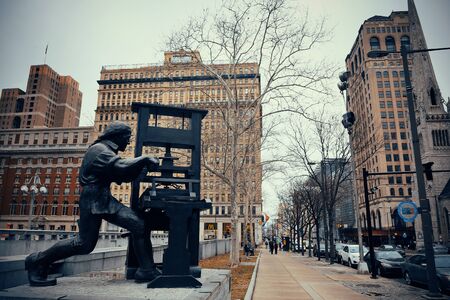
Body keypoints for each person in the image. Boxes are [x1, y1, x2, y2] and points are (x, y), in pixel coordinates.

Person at [25, 122, 160, 286]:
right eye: (126, 137)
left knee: (138, 224)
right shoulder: (100, 150)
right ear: (116, 136)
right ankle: (37, 260)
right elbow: (120, 166)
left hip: (103, 198)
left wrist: (142, 167)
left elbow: (122, 175)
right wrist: (144, 158)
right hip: (92, 200)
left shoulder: (107, 150)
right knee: (84, 244)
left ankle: (147, 270)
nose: (128, 141)